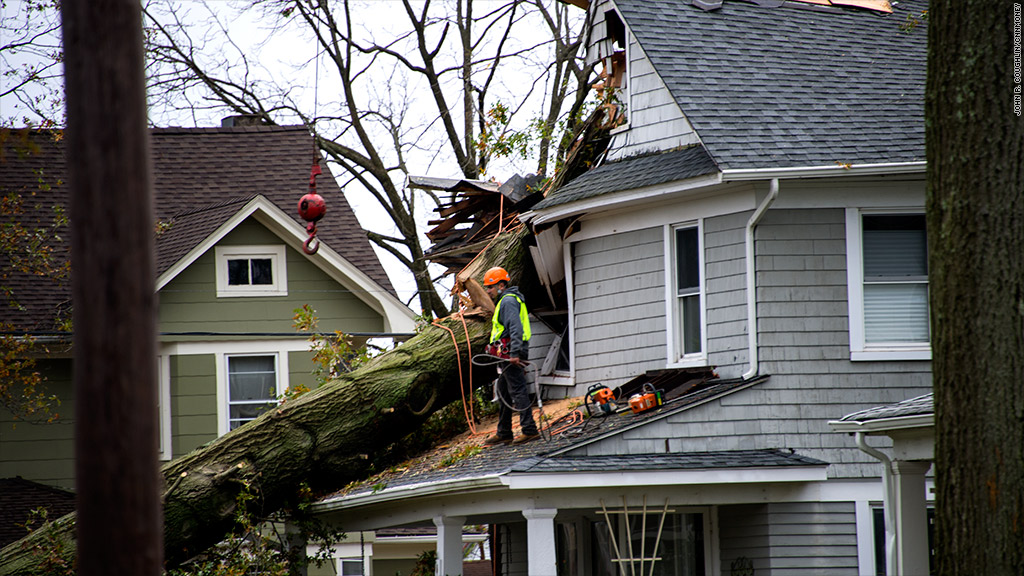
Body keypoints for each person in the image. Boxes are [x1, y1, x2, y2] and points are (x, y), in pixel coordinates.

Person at [481, 266, 540, 446]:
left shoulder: (507, 301)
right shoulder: (508, 300)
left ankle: (529, 430)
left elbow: (515, 328)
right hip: (506, 352)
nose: (488, 291)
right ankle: (504, 432)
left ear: (501, 285)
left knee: (518, 390)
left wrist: (514, 354)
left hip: (511, 352)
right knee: (504, 391)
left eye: (490, 287)